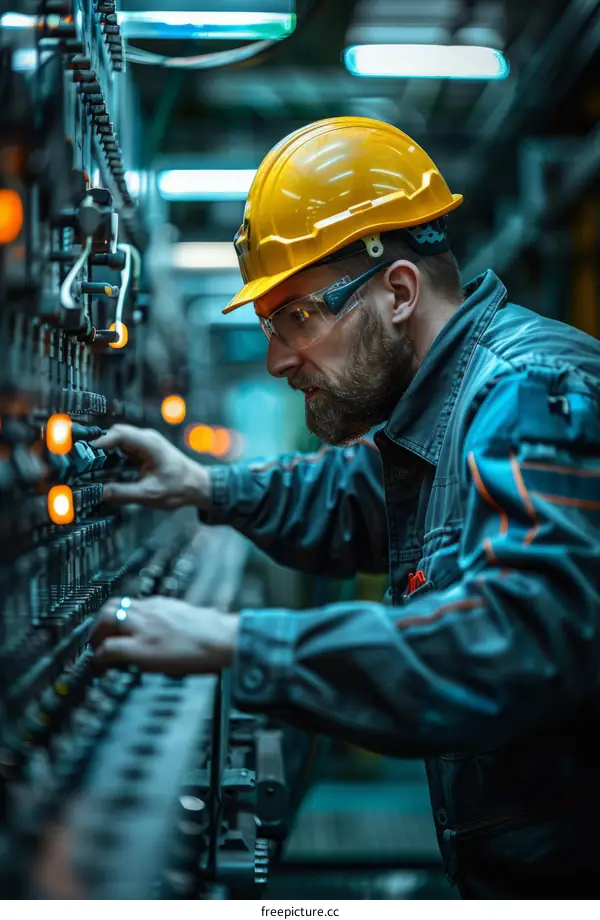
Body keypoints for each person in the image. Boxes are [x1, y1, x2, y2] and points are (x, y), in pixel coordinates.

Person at [91, 117, 600, 898]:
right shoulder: (448, 413)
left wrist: (240, 642)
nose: (277, 359)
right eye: (271, 325)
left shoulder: (530, 392)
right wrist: (201, 485)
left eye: (298, 317)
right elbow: (351, 495)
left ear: (398, 292)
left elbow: (514, 638)